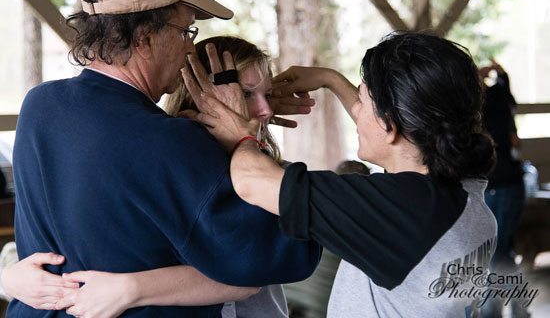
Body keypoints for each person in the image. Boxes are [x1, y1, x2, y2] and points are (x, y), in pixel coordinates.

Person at [8, 0, 320, 316]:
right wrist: (242, 144)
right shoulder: (170, 141)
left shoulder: (39, 106)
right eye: (185, 32)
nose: (190, 49)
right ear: (144, 37)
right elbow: (277, 253)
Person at [184, 32, 499, 317]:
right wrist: (330, 80)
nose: (356, 110)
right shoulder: (461, 188)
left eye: (362, 102)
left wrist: (242, 132)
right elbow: (402, 143)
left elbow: (253, 181)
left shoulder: (403, 208)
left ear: (390, 125)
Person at [479, 61, 530, 318]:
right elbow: (503, 81)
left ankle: (494, 312)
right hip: (502, 186)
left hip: (503, 186)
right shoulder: (498, 99)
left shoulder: (490, 103)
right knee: (502, 252)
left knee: (498, 253)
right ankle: (518, 310)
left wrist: (489, 73)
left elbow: (501, 85)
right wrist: (496, 71)